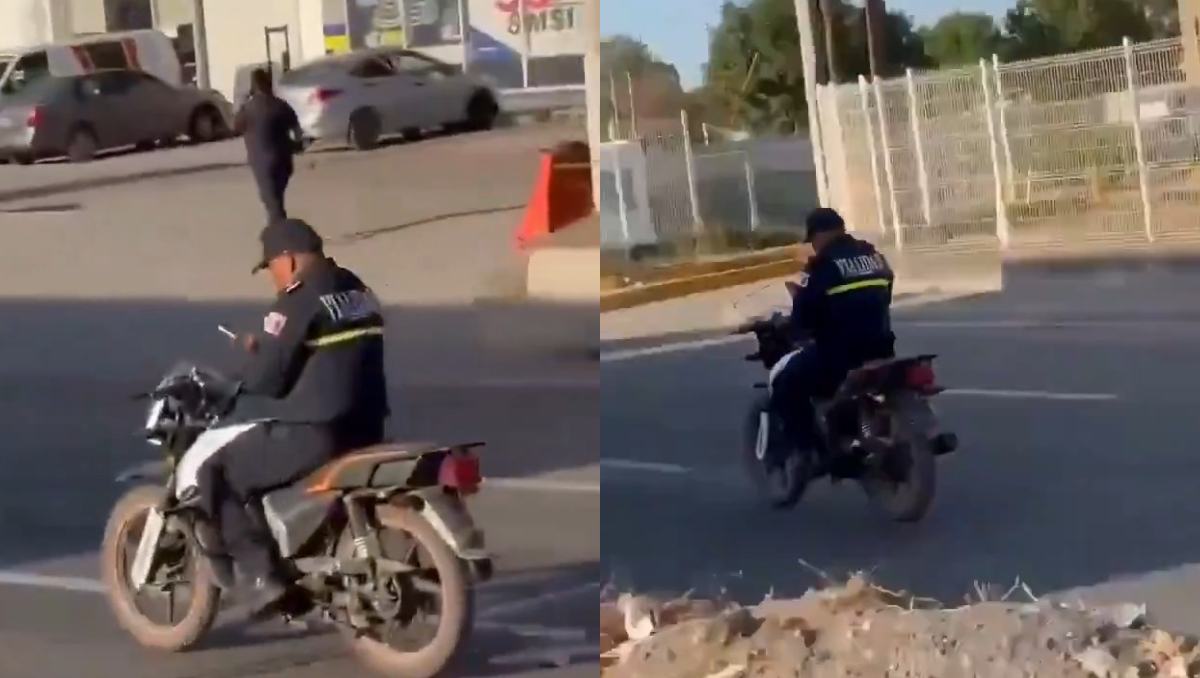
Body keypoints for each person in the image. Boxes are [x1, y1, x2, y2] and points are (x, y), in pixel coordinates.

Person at [174, 217, 390, 613]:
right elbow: (329, 353)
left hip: (316, 428)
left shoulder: (297, 297)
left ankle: (262, 577)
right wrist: (274, 347)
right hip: (367, 424)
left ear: (288, 261)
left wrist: (242, 378)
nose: (272, 277)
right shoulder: (356, 288)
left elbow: (266, 381)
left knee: (216, 472)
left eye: (270, 267)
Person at [768, 207, 895, 477]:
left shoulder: (822, 266)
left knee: (785, 384)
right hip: (882, 347)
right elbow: (885, 292)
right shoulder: (873, 255)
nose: (812, 246)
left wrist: (790, 326)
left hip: (840, 355)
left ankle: (810, 453)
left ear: (821, 234)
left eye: (812, 239)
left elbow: (804, 315)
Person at [234, 68, 304, 223]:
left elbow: (235, 127)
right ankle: (279, 226)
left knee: (271, 202)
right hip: (283, 159)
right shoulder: (281, 105)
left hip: (261, 161)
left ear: (253, 86)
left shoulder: (248, 108)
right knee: (276, 198)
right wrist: (297, 146)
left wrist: (242, 104)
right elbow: (298, 132)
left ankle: (279, 232)